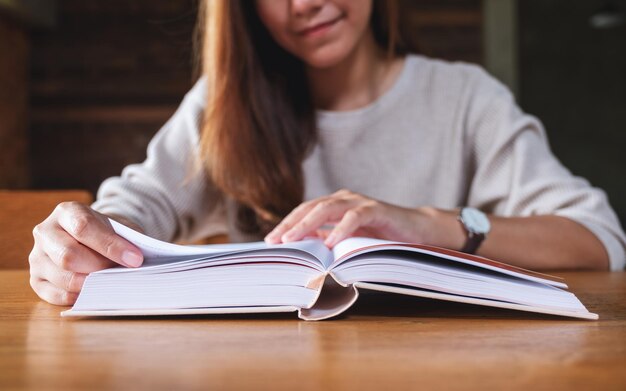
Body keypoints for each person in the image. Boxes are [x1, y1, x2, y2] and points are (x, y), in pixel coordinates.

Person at [29, 0, 626, 306]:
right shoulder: (224, 103)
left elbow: (599, 240)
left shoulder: (464, 97)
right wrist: (83, 241)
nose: (305, 3)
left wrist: (430, 225)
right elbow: (136, 205)